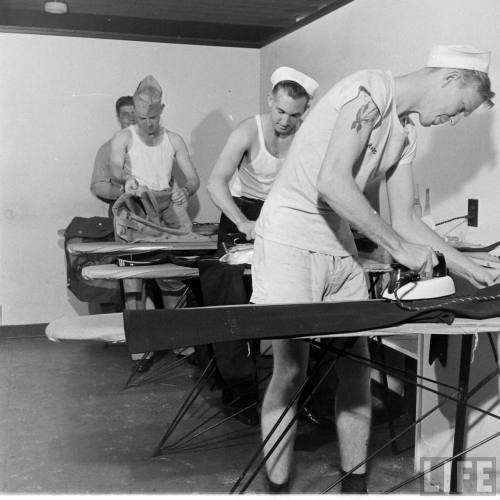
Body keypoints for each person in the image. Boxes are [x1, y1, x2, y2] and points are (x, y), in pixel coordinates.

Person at [250, 45, 499, 493]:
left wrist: (468, 266)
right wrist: (396, 249)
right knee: (291, 369)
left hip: (338, 244)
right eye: (460, 108)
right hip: (290, 237)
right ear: (449, 79)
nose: (455, 120)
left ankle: (355, 487)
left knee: (355, 365)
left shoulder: (405, 131)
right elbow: (332, 182)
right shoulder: (368, 92)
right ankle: (278, 488)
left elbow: (406, 219)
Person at [204, 67, 319, 425]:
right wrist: (242, 223)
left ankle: (303, 390)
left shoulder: (307, 135)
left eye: (295, 115)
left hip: (281, 217)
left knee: (301, 293)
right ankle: (237, 389)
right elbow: (215, 182)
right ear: (270, 101)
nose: (285, 121)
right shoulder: (247, 131)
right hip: (241, 215)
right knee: (231, 297)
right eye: (280, 111)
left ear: (305, 111)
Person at [110, 75, 200, 227]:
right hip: (137, 200)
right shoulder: (123, 137)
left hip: (166, 199)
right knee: (138, 243)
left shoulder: (174, 140)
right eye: (142, 118)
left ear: (161, 110)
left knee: (184, 237)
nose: (148, 123)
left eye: (153, 118)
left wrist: (185, 191)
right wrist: (127, 178)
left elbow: (193, 179)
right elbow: (115, 168)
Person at [90, 96, 135, 216]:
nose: (131, 118)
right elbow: (97, 185)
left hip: (156, 211)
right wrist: (123, 194)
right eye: (125, 114)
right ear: (119, 118)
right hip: (124, 210)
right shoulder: (107, 149)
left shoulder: (156, 146)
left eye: (134, 113)